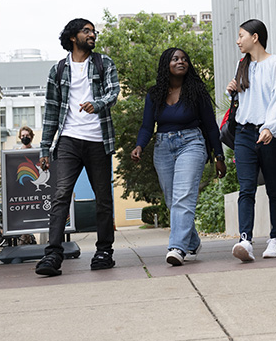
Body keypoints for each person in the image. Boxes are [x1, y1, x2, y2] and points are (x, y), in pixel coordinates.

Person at [34, 18, 120, 277]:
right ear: (73, 37)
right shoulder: (58, 69)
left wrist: (98, 103)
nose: (92, 35)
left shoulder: (104, 63)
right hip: (69, 139)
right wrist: (45, 149)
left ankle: (104, 251)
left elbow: (113, 91)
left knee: (103, 198)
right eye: (87, 31)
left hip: (98, 140)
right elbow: (51, 111)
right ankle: (53, 255)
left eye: (93, 31)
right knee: (60, 196)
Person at [131, 47, 225, 266]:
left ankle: (177, 248)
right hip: (163, 146)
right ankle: (192, 241)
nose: (181, 62)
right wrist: (139, 146)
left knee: (183, 196)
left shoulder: (197, 91)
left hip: (191, 143)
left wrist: (218, 155)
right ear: (167, 64)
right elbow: (147, 126)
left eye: (184, 59)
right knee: (172, 199)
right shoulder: (155, 94)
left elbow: (211, 126)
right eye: (175, 59)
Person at [225, 19, 276, 262]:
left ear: (255, 37)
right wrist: (231, 89)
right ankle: (245, 241)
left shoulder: (275, 63)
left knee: (274, 188)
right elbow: (243, 99)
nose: (238, 40)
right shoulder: (242, 64)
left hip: (269, 134)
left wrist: (270, 127)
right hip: (244, 133)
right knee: (246, 188)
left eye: (241, 35)